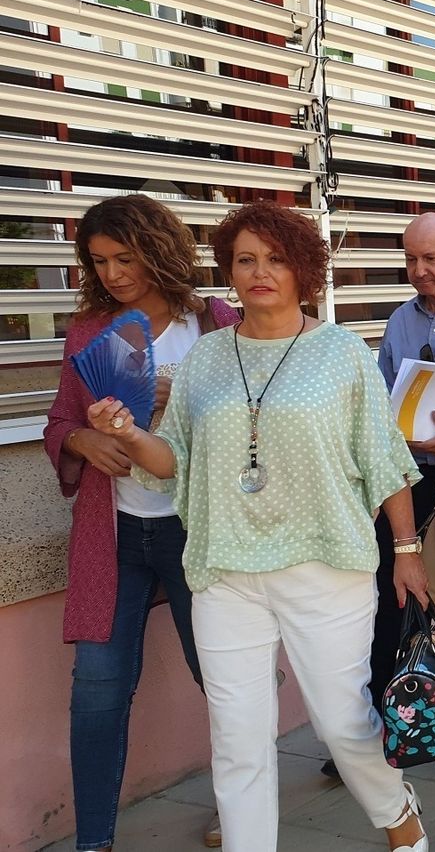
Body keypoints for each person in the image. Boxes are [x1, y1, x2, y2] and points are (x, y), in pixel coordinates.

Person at [85, 200, 431, 852]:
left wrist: (407, 550)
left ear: (305, 270)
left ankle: (396, 812)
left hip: (324, 565)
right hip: (225, 570)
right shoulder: (207, 359)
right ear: (229, 272)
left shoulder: (343, 354)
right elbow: (172, 464)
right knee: (238, 738)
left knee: (342, 726)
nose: (260, 271)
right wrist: (129, 434)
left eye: (275, 258)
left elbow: (385, 463)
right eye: (245, 259)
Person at [43, 194, 239, 851]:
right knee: (96, 690)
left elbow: (255, 422)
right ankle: (92, 839)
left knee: (222, 676)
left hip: (198, 530)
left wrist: (179, 396)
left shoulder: (213, 323)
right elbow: (59, 422)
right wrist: (81, 444)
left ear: (160, 248)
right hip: (116, 532)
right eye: (99, 261)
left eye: (125, 258)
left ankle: (237, 806)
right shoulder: (89, 331)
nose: (113, 274)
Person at [323, 212, 435, 783]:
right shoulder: (398, 321)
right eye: (410, 260)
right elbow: (383, 403)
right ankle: (385, 725)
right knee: (393, 600)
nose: (419, 271)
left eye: (431, 259)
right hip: (410, 478)